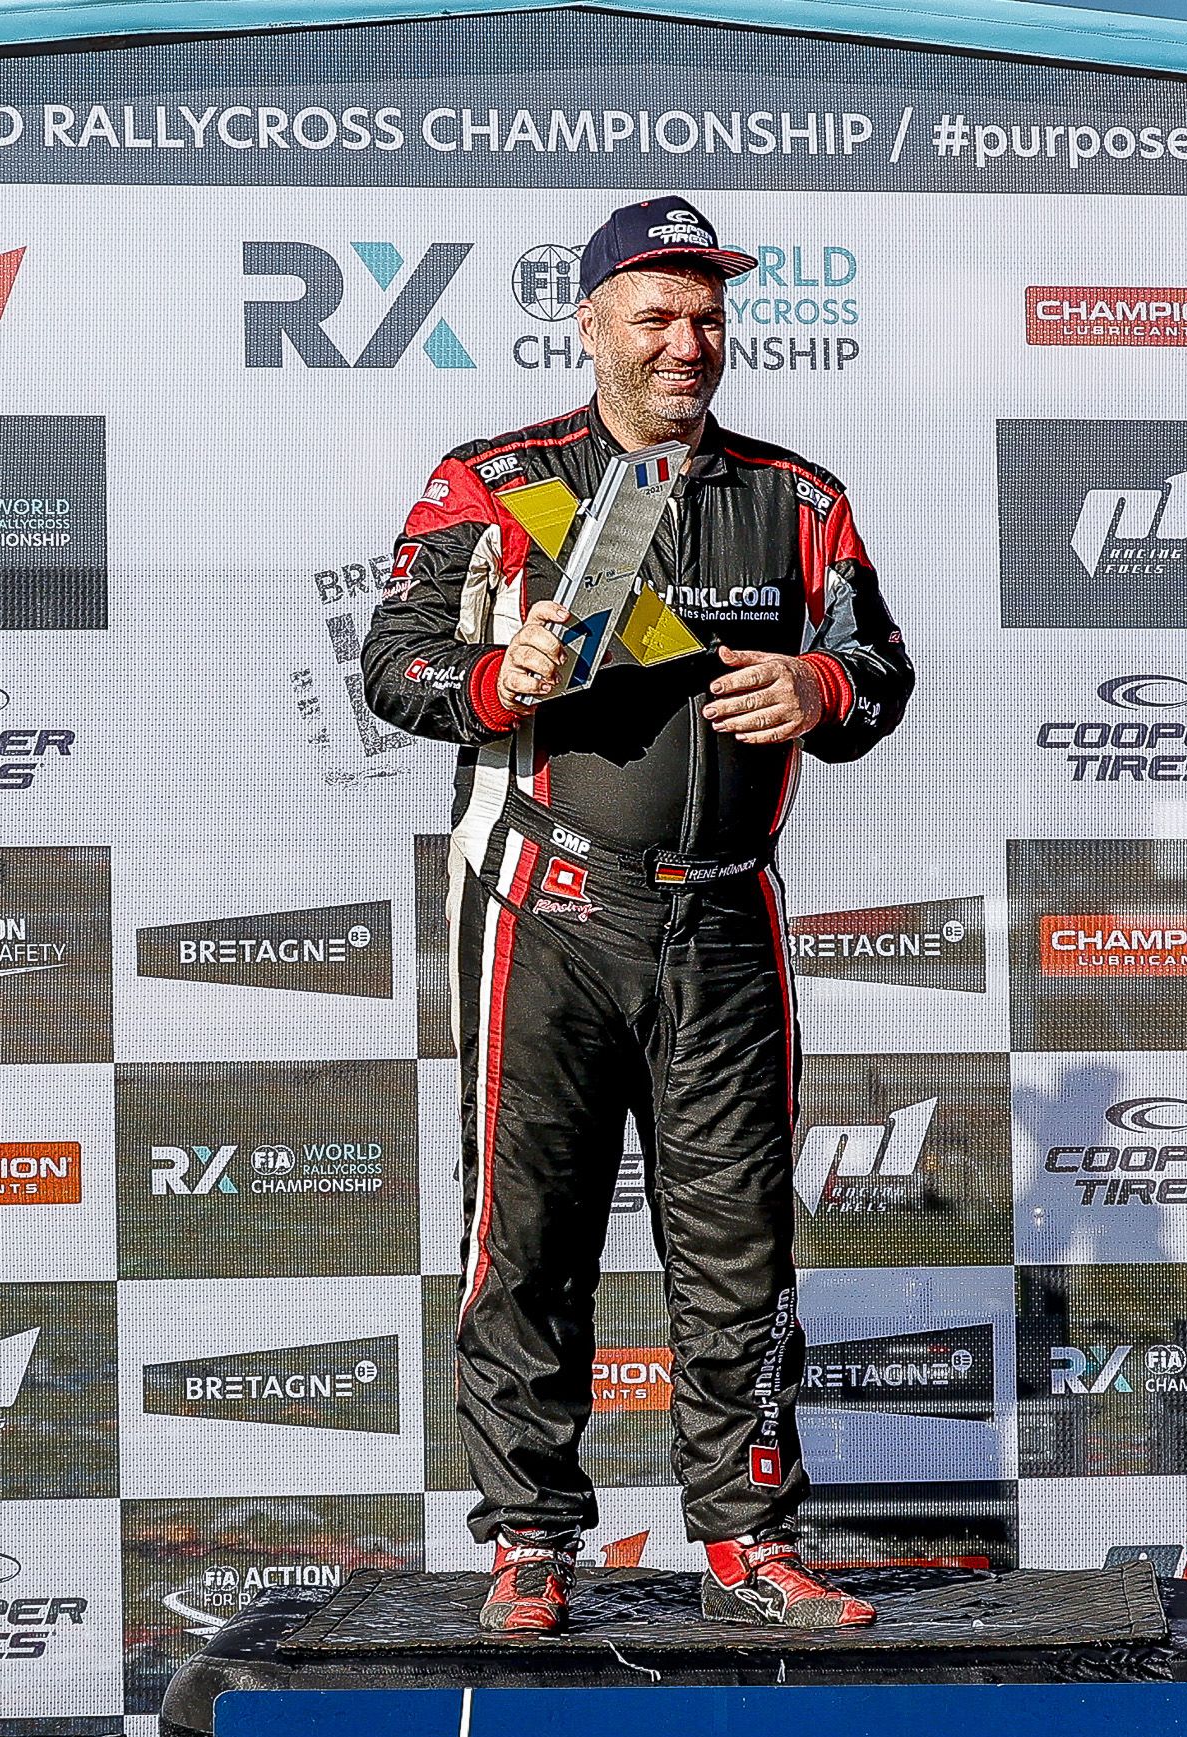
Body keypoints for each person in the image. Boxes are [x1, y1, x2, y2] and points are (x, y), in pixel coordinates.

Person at [362, 196, 915, 1636]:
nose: (689, 342)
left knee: (739, 1244)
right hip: (541, 905)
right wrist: (500, 682)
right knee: (526, 1235)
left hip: (724, 922)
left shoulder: (796, 497)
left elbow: (877, 668)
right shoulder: (496, 477)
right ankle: (530, 1539)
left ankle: (749, 1535)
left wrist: (819, 690)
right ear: (591, 322)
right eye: (657, 316)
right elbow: (392, 664)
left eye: (709, 316)